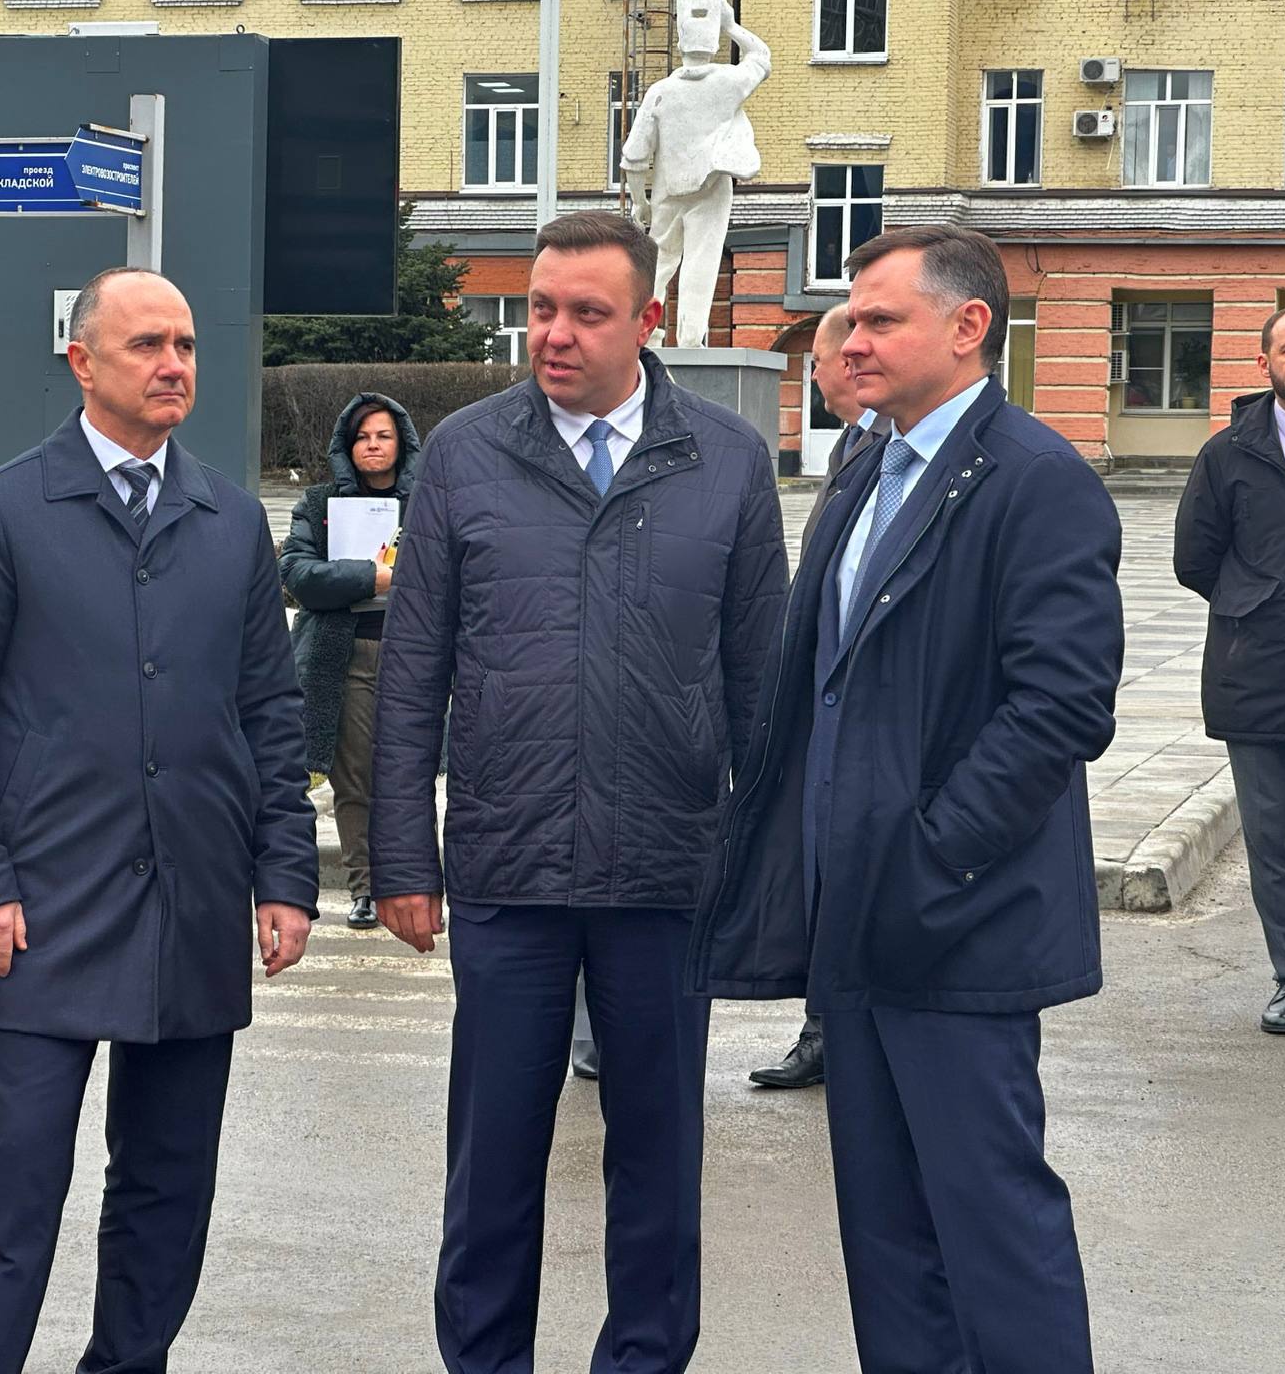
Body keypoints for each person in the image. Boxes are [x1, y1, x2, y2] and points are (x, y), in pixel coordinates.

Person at [697, 225, 1121, 1373]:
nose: (852, 340)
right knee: (886, 1235)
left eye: (882, 319)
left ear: (968, 325)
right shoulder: (865, 468)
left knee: (990, 1221)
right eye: (852, 318)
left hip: (956, 921)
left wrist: (932, 861)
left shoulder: (1037, 479)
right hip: (855, 917)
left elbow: (1061, 707)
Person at [371, 210, 787, 1372]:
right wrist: (401, 857)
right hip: (508, 870)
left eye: (585, 313)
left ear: (647, 319)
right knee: (492, 1161)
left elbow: (762, 682)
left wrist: (768, 869)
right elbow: (412, 672)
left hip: (667, 873)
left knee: (658, 1159)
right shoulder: (466, 453)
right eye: (540, 308)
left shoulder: (726, 459)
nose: (552, 333)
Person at [0, 266, 320, 1374]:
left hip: (195, 902)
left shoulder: (230, 521)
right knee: (19, 1180)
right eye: (147, 345)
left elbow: (271, 712)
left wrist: (284, 875)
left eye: (185, 344)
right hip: (46, 906)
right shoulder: (1, 513)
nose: (174, 364)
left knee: (168, 1189)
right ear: (82, 363)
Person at [1174, 303, 1285, 1034]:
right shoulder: (1227, 453)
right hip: (1254, 673)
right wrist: (1255, 603)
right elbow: (1195, 559)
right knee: (1270, 842)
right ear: (1264, 362)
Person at [750, 302, 890, 1092]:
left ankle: (833, 1032)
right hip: (823, 686)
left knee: (844, 876)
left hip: (861, 704)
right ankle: (824, 1029)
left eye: (820, 362)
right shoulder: (855, 444)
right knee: (821, 873)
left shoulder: (886, 444)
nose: (819, 376)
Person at [280, 393, 423, 929]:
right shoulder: (319, 503)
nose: (373, 446)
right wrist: (372, 577)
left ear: (402, 442)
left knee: (410, 776)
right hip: (347, 656)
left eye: (383, 436)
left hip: (414, 655)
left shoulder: (429, 502)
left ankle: (413, 882)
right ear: (346, 444)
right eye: (362, 437)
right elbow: (297, 575)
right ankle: (365, 886)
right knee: (355, 778)